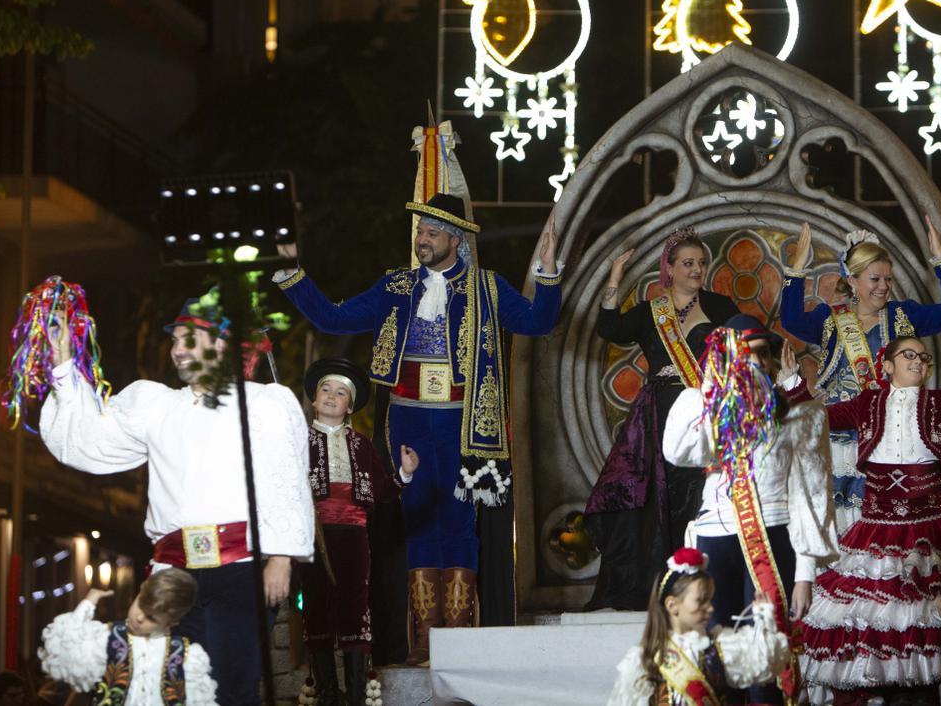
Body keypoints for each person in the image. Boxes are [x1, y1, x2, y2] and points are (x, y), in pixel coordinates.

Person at [275, 192, 561, 664]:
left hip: (462, 421)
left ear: (454, 238)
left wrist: (547, 273)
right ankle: (426, 640)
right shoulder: (395, 287)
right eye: (420, 231)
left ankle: (459, 637)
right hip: (406, 418)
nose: (421, 240)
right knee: (419, 523)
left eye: (431, 232)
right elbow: (333, 316)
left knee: (460, 525)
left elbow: (538, 322)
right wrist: (292, 272)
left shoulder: (487, 288)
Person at [39, 296, 314, 706]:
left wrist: (281, 557)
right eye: (175, 339)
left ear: (222, 344)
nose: (177, 348)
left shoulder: (262, 403)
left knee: (231, 689)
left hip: (239, 568)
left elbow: (288, 476)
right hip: (172, 572)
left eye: (190, 338)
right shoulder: (156, 405)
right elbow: (88, 439)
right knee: (169, 688)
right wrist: (63, 363)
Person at [783, 333, 941, 704]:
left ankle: (922, 695)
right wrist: (795, 384)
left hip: (931, 524)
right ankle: (877, 693)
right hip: (877, 525)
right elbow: (816, 418)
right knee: (879, 614)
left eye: (925, 357)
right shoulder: (868, 402)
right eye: (910, 355)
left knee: (929, 616)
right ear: (887, 365)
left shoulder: (940, 402)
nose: (920, 361)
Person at [663, 314, 837, 703]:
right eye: (743, 355)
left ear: (774, 361)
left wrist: (805, 572)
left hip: (773, 539)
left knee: (768, 655)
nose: (755, 362)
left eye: (761, 353)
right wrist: (715, 389)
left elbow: (810, 495)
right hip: (716, 539)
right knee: (715, 651)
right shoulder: (704, 408)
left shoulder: (800, 417)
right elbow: (677, 451)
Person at [779, 218, 941, 534]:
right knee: (842, 529)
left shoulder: (903, 316)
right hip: (842, 443)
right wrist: (797, 268)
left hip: (893, 441)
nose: (883, 286)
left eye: (887, 279)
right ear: (852, 281)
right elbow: (791, 318)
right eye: (874, 279)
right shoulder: (829, 319)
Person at [584, 227, 740, 611]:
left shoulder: (720, 308)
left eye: (701, 263)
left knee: (698, 496)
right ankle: (654, 586)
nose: (696, 270)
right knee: (652, 498)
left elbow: (747, 345)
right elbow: (610, 329)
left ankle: (700, 589)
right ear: (669, 268)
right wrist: (614, 281)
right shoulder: (652, 310)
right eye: (687, 263)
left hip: (704, 413)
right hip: (657, 416)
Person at [300, 357, 420, 704]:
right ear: (314, 398)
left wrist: (404, 474)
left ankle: (355, 695)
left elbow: (382, 491)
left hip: (354, 537)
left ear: (350, 406)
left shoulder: (362, 445)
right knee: (317, 606)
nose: (332, 396)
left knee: (355, 607)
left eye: (340, 393)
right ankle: (325, 692)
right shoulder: (297, 441)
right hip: (314, 536)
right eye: (325, 389)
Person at [608, 547, 791, 706]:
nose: (710, 608)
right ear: (673, 605)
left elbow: (766, 663)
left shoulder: (716, 648)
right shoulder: (645, 658)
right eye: (701, 600)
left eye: (710, 600)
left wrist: (763, 619)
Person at [38, 570, 216, 704]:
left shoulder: (187, 657)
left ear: (172, 622)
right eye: (140, 605)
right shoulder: (109, 638)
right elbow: (62, 653)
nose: (139, 618)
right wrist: (88, 604)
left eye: (151, 618)